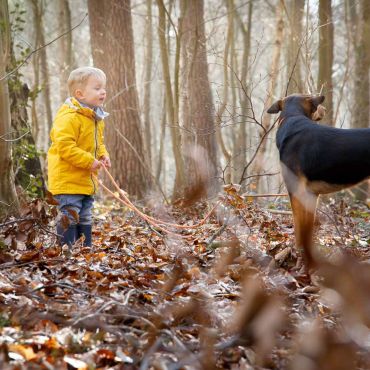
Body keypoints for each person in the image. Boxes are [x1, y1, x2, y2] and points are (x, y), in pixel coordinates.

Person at [47, 66, 111, 247]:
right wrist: (89, 161)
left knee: (85, 215)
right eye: (97, 88)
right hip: (68, 180)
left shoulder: (94, 118)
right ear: (80, 94)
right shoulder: (69, 117)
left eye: (103, 88)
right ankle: (66, 251)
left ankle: (85, 249)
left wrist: (103, 155)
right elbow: (65, 146)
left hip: (86, 180)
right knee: (70, 215)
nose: (103, 91)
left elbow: (98, 143)